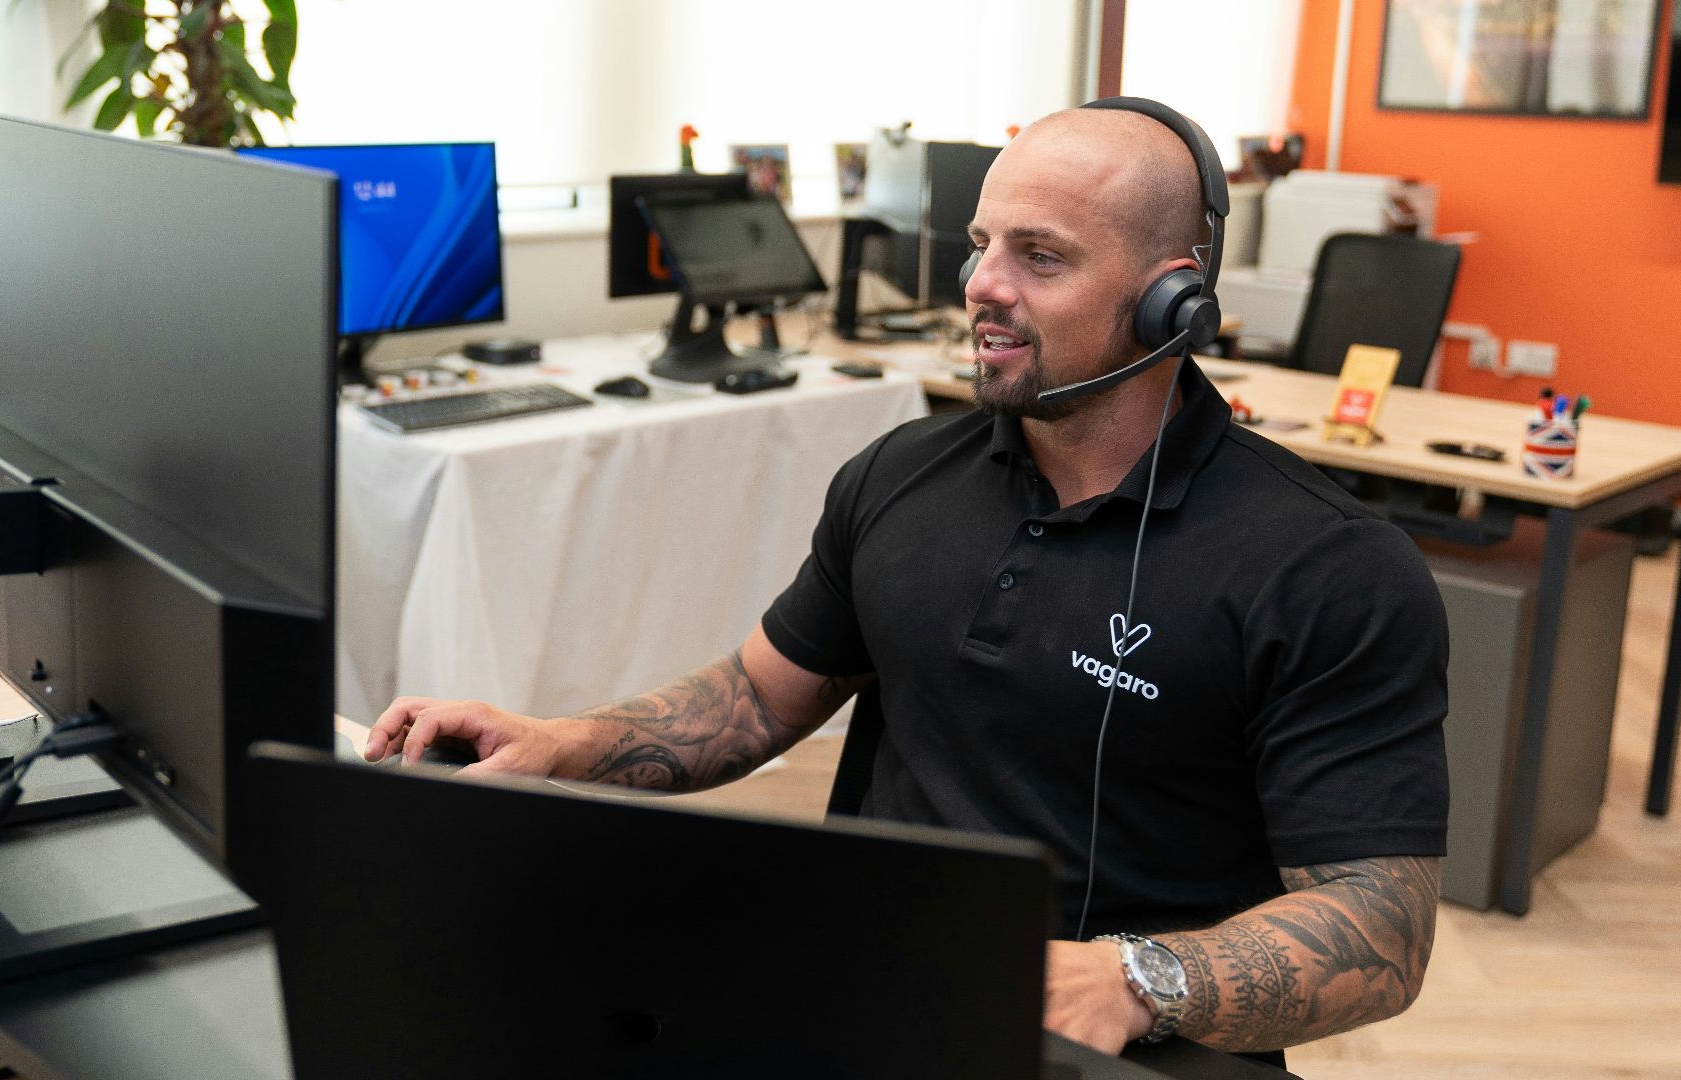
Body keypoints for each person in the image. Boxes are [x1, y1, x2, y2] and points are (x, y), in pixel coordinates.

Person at [366, 103, 1448, 1063]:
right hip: (860, 1003)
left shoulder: (1329, 569)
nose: (981, 285)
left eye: (1041, 255)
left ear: (1174, 301)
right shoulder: (899, 474)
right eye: (982, 245)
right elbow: (750, 702)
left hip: (1123, 1044)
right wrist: (560, 746)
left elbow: (1380, 932)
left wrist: (1132, 981)